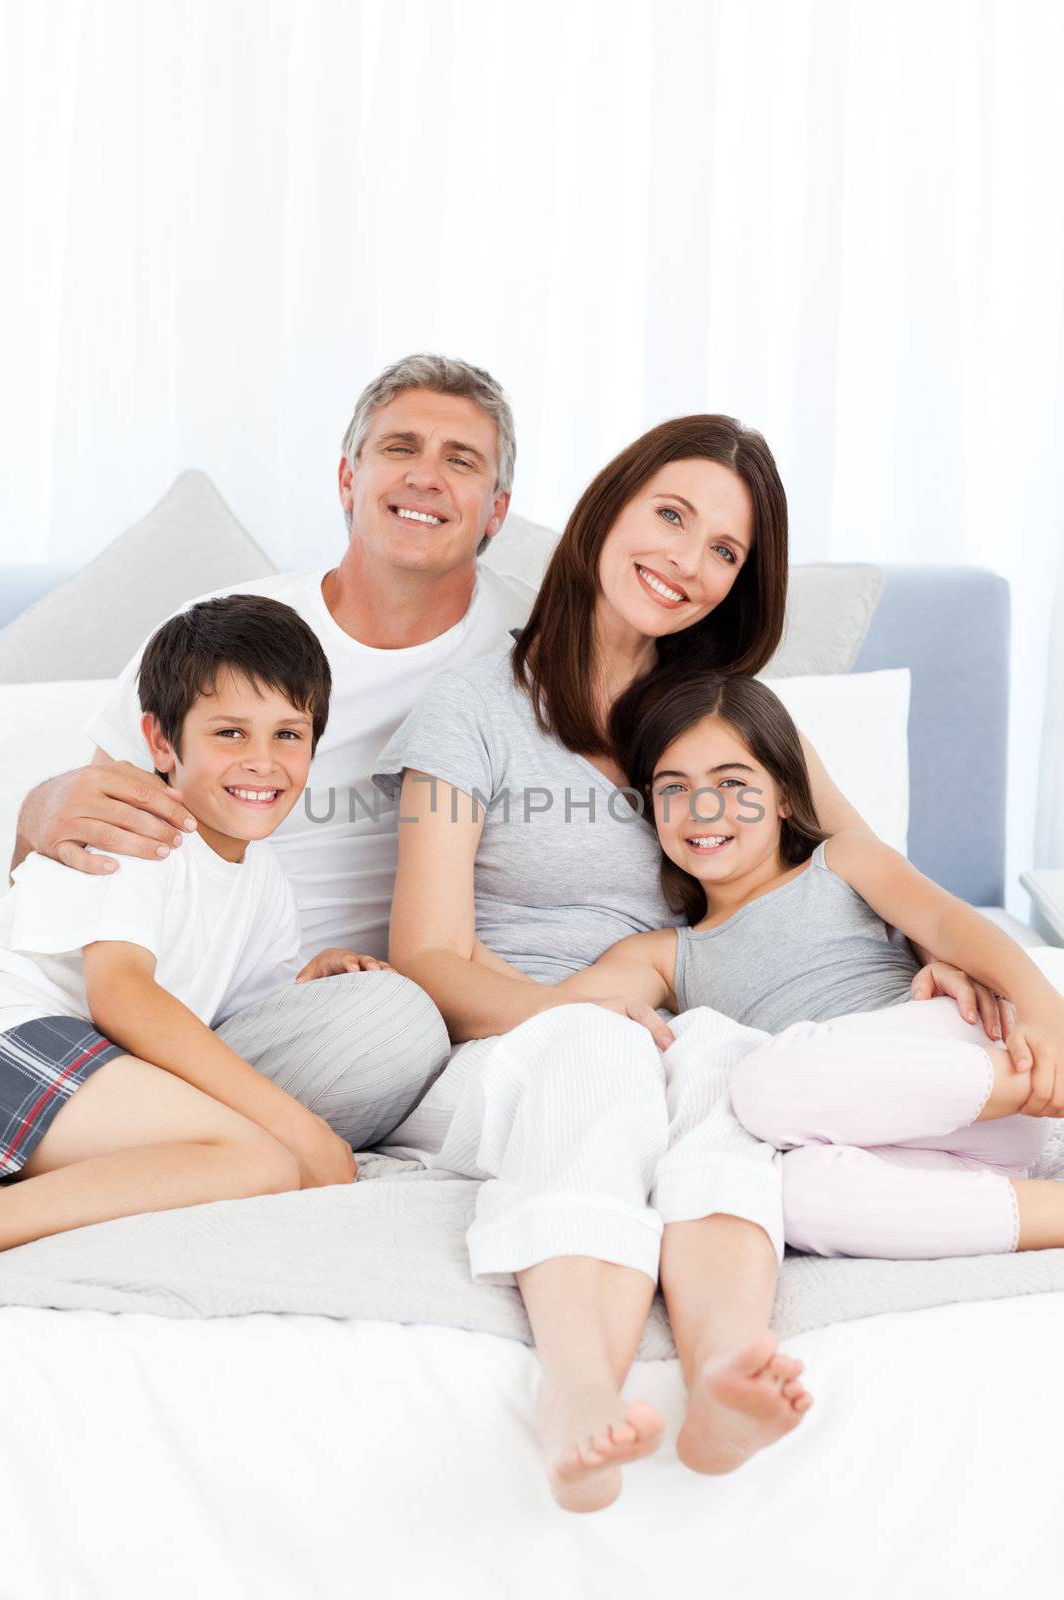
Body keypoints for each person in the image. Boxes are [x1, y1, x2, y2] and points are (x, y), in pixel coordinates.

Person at [365, 413, 1007, 1513]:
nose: (689, 561)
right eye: (671, 514)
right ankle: (575, 1392)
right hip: (509, 1041)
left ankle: (722, 1375)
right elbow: (424, 954)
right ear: (605, 510)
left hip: (678, 1027)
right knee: (601, 1050)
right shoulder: (469, 707)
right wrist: (581, 1016)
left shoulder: (720, 718)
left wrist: (937, 966)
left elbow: (855, 863)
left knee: (726, 1063)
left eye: (725, 551)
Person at [10, 355, 535, 1148]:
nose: (425, 476)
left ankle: (187, 1138)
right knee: (390, 1031)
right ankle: (190, 1132)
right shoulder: (228, 636)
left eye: (460, 460)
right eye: (399, 448)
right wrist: (38, 806)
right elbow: (88, 851)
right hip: (141, 1006)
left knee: (400, 1027)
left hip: (301, 1011)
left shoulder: (536, 653)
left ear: (496, 510)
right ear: (346, 479)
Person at [557, 669, 1062, 1261]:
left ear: (786, 797)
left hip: (963, 1054)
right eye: (673, 788)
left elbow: (953, 924)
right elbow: (551, 1010)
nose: (702, 808)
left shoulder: (840, 861)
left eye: (733, 782)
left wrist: (1047, 1014)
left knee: (763, 1087)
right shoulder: (662, 955)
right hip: (889, 1129)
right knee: (791, 1195)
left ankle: (1041, 1082)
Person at [0, 594, 365, 1252]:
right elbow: (123, 993)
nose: (263, 760)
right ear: (162, 744)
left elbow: (236, 1012)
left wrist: (313, 976)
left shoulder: (265, 877)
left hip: (86, 1061)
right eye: (230, 732)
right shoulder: (142, 827)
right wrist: (300, 1126)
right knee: (263, 1159)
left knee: (256, 1162)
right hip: (16, 1031)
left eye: (288, 734)